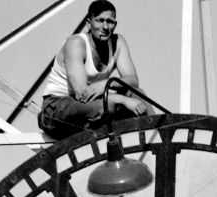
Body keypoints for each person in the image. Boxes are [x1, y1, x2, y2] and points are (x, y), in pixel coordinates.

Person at [38, 0, 150, 139]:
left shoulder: (117, 42)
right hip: (56, 109)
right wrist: (122, 99)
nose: (105, 27)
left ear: (115, 24)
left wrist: (104, 85)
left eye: (109, 21)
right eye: (99, 20)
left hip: (89, 108)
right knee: (109, 106)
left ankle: (158, 138)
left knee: (138, 95)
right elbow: (82, 94)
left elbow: (133, 80)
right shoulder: (76, 43)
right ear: (89, 24)